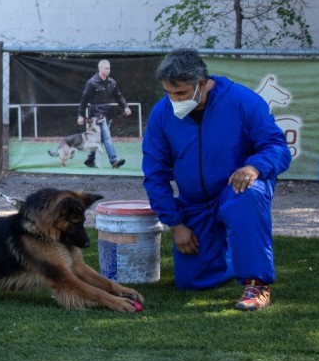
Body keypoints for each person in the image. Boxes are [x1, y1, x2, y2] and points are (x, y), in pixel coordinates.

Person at [142, 48, 291, 311]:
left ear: (201, 83)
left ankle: (256, 283)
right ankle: (233, 255)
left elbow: (278, 147)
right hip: (196, 202)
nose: (173, 100)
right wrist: (176, 225)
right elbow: (155, 174)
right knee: (192, 281)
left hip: (236, 190)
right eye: (168, 93)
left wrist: (255, 167)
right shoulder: (162, 112)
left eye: (180, 93)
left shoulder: (242, 101)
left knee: (248, 194)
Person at [76, 59, 131, 168]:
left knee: (97, 139)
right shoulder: (91, 83)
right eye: (106, 68)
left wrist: (125, 107)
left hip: (108, 114)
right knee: (107, 137)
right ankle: (113, 160)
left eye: (109, 68)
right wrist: (80, 115)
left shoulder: (112, 82)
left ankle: (90, 159)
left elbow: (118, 96)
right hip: (95, 115)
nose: (108, 70)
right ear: (100, 69)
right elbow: (84, 100)